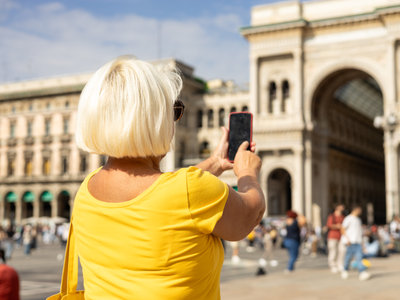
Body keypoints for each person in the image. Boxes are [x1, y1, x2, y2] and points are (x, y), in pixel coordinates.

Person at [58, 57, 265, 300]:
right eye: (174, 111)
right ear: (154, 119)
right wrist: (248, 174)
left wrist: (214, 164)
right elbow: (249, 214)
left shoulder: (86, 191)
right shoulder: (189, 190)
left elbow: (163, 196)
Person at [341, 206, 371, 281]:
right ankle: (345, 269)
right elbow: (342, 229)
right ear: (355, 209)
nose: (360, 212)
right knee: (348, 257)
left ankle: (361, 272)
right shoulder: (348, 218)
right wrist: (347, 239)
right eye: (359, 210)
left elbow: (359, 232)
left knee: (359, 257)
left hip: (358, 242)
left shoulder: (358, 220)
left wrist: (362, 244)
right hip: (350, 242)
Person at [326, 204, 345, 273]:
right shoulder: (332, 216)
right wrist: (337, 226)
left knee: (342, 251)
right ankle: (332, 265)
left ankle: (340, 264)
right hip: (332, 236)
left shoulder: (343, 217)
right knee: (333, 251)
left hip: (341, 236)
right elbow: (329, 225)